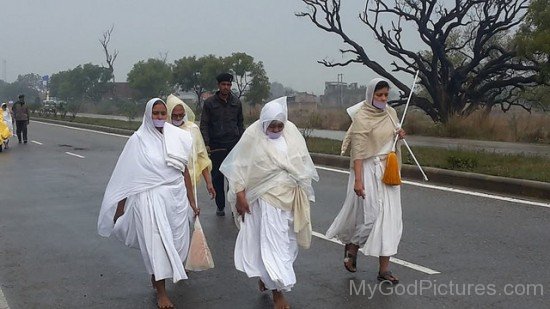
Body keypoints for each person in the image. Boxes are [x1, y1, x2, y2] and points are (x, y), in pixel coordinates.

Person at [98, 98, 199, 309]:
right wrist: (120, 207)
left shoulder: (178, 137)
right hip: (149, 199)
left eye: (163, 114)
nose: (160, 118)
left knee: (176, 244)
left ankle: (157, 274)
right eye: (156, 114)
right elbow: (127, 176)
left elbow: (184, 171)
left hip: (175, 198)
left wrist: (191, 201)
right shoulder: (138, 140)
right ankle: (162, 292)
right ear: (148, 115)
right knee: (156, 243)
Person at [220, 97, 318, 309]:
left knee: (288, 245)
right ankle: (278, 292)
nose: (275, 128)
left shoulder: (292, 135)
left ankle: (267, 277)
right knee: (273, 245)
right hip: (265, 199)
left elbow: (302, 164)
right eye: (271, 125)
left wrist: (304, 191)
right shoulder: (252, 138)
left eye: (279, 125)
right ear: (263, 123)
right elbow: (238, 168)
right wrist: (240, 195)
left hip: (290, 199)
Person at [325, 78, 406, 285]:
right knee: (372, 216)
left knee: (390, 219)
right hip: (368, 169)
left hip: (388, 170)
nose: (383, 99)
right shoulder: (362, 117)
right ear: (370, 95)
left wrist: (400, 136)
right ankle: (353, 245)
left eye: (386, 95)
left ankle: (384, 270)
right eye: (379, 95)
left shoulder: (391, 113)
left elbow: (392, 140)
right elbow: (358, 153)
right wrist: (358, 181)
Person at [200, 72, 245, 216]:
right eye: (223, 84)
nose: (226, 87)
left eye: (228, 85)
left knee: (233, 178)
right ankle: (220, 205)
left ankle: (233, 205)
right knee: (217, 178)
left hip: (233, 145)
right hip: (216, 146)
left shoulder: (236, 103)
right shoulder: (209, 103)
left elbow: (240, 124)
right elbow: (204, 125)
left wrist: (243, 142)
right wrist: (206, 143)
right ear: (219, 86)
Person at [166, 94, 216, 199]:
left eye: (181, 115)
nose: (178, 118)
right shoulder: (163, 131)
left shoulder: (192, 129)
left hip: (190, 182)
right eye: (175, 115)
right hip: (168, 184)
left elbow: (202, 157)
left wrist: (209, 183)